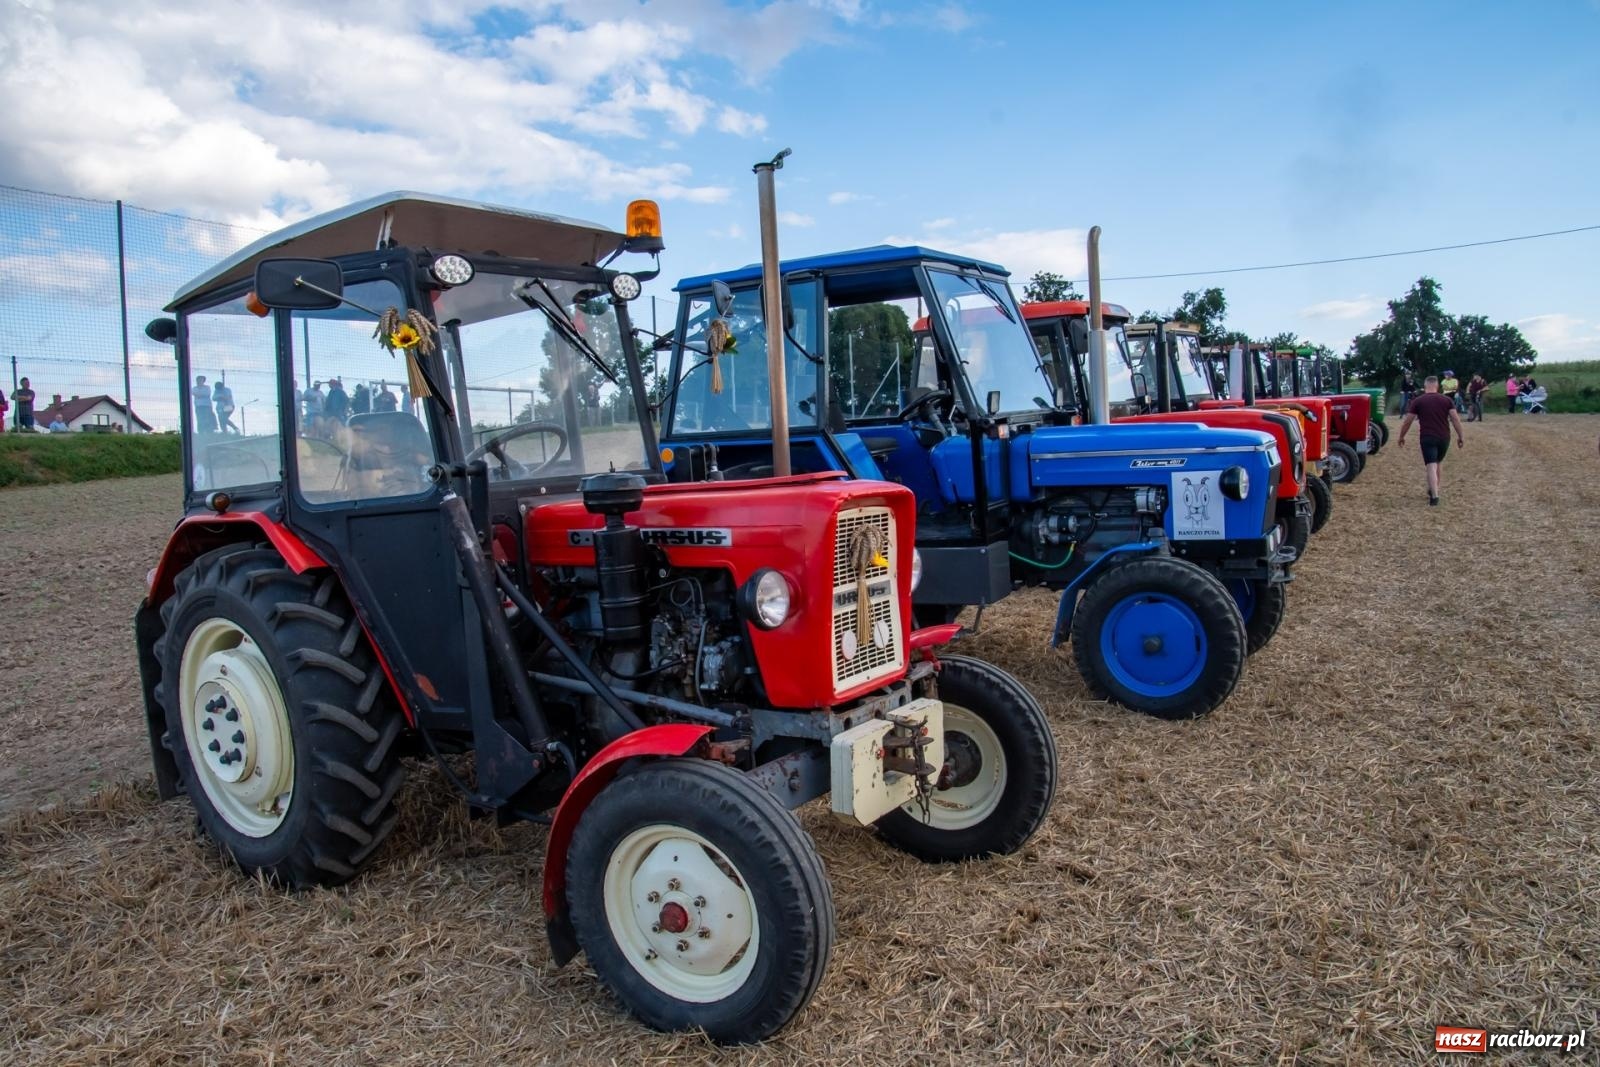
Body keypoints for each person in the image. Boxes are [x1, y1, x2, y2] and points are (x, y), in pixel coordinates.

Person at [1397, 375, 1465, 506]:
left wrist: (1401, 436)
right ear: (1437, 386)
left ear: (1425, 386)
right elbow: (1455, 419)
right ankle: (1435, 488)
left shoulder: (1418, 401)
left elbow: (1408, 421)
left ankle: (1434, 496)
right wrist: (1461, 436)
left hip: (1427, 437)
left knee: (1431, 466)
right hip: (1444, 437)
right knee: (1437, 462)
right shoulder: (1446, 400)